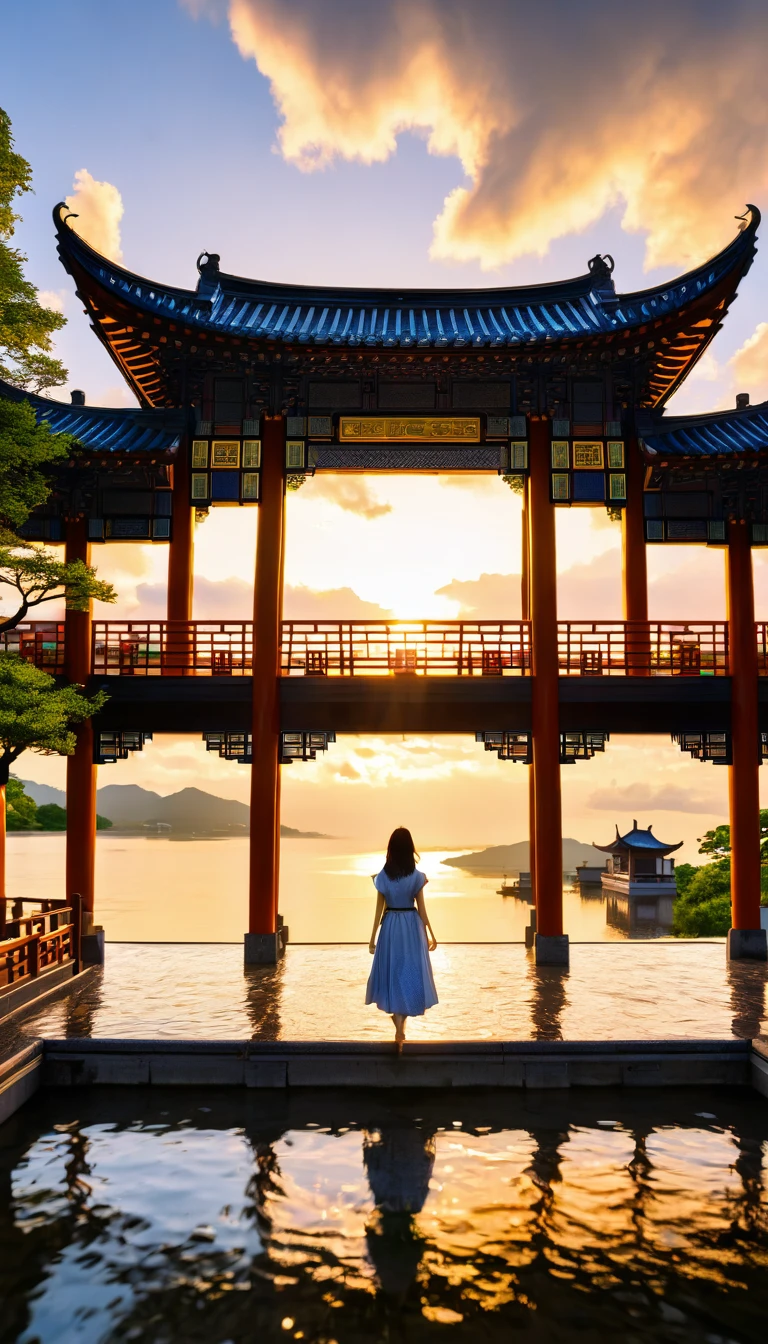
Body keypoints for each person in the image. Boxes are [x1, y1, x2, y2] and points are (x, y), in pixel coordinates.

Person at [366, 827, 438, 1049]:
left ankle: (398, 1025)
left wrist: (372, 938)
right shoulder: (417, 877)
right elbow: (422, 910)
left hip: (390, 926)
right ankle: (400, 1026)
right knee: (408, 973)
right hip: (411, 925)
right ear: (409, 849)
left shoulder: (382, 878)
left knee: (394, 972)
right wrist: (431, 934)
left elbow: (378, 911)